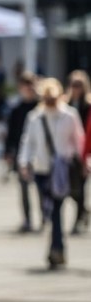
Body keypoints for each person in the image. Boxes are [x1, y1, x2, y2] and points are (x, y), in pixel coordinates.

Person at [17, 78, 85, 269]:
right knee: (47, 210)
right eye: (46, 98)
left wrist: (82, 160)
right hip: (42, 169)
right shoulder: (35, 117)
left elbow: (78, 140)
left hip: (62, 170)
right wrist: (24, 162)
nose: (50, 102)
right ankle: (58, 246)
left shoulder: (69, 115)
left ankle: (55, 250)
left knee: (56, 209)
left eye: (52, 98)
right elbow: (27, 142)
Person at [4, 71, 41, 233]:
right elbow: (11, 132)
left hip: (40, 154)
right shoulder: (17, 109)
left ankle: (45, 216)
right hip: (22, 154)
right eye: (24, 86)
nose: (27, 89)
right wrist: (8, 152)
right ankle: (27, 219)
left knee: (42, 187)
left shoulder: (41, 107)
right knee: (24, 188)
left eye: (30, 85)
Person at [64, 70, 90, 234]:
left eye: (79, 85)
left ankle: (78, 218)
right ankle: (84, 211)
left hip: (85, 151)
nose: (76, 88)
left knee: (81, 185)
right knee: (70, 188)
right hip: (69, 152)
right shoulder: (65, 104)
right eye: (73, 85)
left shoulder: (88, 106)